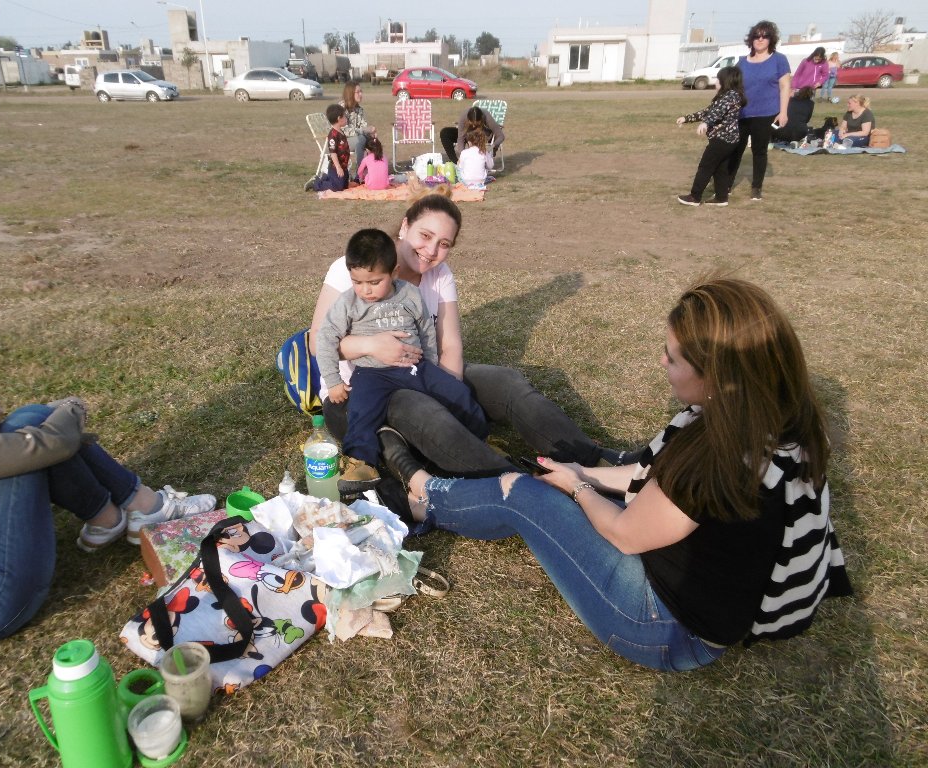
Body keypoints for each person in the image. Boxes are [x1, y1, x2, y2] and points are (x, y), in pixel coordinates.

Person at [378, 277, 853, 671]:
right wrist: (584, 470)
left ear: (718, 372)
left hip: (663, 627)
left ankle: (424, 495)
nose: (662, 363)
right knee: (587, 472)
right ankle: (450, 488)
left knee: (521, 493)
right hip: (703, 600)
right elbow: (646, 476)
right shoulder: (777, 419)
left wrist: (578, 486)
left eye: (673, 357)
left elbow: (625, 533)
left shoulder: (715, 452)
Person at [309, 189, 629, 501]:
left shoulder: (439, 275)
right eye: (425, 235)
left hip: (419, 372)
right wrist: (371, 345)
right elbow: (316, 340)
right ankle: (525, 489)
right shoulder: (355, 268)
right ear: (405, 226)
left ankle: (596, 461)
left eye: (444, 243)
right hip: (356, 391)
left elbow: (450, 345)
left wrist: (446, 390)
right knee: (424, 412)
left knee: (505, 382)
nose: (431, 250)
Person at [0, 396, 215, 663]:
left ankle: (112, 518)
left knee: (22, 432)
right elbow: (50, 444)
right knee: (31, 428)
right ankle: (140, 507)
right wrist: (71, 406)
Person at [315, 229, 487, 493]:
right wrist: (333, 381)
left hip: (414, 366)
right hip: (372, 373)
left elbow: (426, 330)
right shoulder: (348, 302)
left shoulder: (408, 294)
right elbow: (325, 338)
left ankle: (481, 438)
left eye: (374, 282)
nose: (365, 290)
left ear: (393, 273)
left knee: (456, 392)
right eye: (357, 281)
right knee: (361, 410)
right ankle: (361, 463)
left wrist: (429, 364)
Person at [726, 20, 791, 202]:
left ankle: (756, 188)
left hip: (766, 113)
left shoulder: (779, 60)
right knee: (735, 150)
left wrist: (783, 112)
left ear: (771, 39)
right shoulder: (741, 62)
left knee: (759, 150)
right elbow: (732, 87)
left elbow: (785, 86)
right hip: (742, 113)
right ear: (751, 39)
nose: (760, 39)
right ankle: (727, 185)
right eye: (757, 36)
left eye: (765, 36)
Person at [676, 65, 747, 207]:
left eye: (718, 80)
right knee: (720, 168)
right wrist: (687, 118)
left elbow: (715, 114)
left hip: (722, 140)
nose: (715, 83)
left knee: (706, 166)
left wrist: (705, 123)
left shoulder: (730, 97)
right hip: (729, 141)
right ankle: (721, 198)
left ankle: (694, 197)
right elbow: (708, 111)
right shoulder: (726, 97)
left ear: (725, 81)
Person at [305, 104, 350, 193]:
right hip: (335, 167)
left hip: (343, 167)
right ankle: (316, 182)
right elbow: (333, 152)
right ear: (339, 118)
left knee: (345, 186)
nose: (346, 118)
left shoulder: (341, 131)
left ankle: (326, 177)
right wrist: (337, 167)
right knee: (337, 188)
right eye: (344, 116)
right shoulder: (333, 135)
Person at [340, 82, 376, 183]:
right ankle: (359, 175)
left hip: (356, 139)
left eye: (361, 91)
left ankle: (374, 172)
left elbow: (363, 126)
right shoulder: (341, 108)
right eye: (358, 92)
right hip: (341, 141)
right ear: (350, 93)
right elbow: (344, 130)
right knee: (362, 139)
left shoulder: (359, 109)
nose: (361, 94)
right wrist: (364, 131)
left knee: (371, 139)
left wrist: (371, 132)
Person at [456, 117, 495, 190]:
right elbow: (490, 166)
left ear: (469, 142)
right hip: (481, 181)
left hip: (466, 181)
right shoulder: (484, 152)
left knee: (457, 165)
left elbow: (461, 167)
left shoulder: (464, 152)